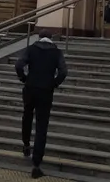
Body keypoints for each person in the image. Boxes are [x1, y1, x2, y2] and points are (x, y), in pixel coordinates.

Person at [16, 31, 68, 178]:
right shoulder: (56, 52)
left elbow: (19, 65)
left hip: (30, 87)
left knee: (27, 115)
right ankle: (37, 163)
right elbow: (63, 71)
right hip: (46, 90)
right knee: (42, 125)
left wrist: (24, 78)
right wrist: (54, 83)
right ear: (51, 39)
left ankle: (26, 145)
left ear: (39, 38)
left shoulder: (31, 49)